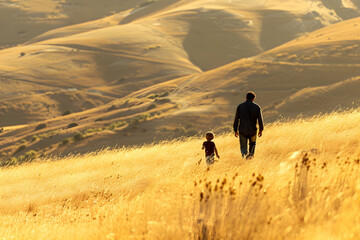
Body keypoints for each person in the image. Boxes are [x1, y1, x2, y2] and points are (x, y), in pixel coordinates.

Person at [233, 91, 264, 159]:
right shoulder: (257, 107)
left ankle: (244, 159)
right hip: (253, 131)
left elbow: (236, 119)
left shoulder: (240, 106)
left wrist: (235, 130)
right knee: (252, 144)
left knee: (243, 146)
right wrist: (261, 130)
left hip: (242, 131)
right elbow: (260, 120)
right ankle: (250, 157)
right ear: (253, 99)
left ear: (246, 98)